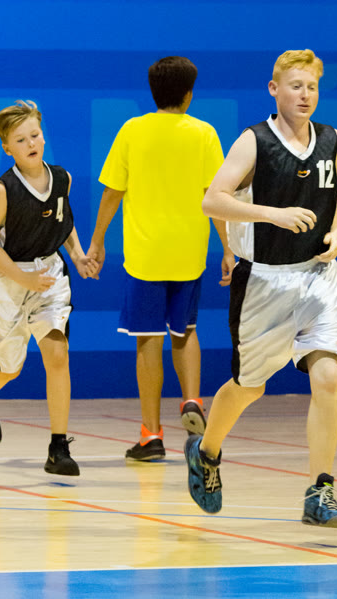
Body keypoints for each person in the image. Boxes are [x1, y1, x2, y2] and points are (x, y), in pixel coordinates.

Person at [183, 49, 337, 528]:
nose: (305, 95)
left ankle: (320, 491)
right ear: (274, 89)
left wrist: (335, 231)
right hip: (263, 281)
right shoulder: (253, 141)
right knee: (249, 386)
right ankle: (206, 451)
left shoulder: (333, 140)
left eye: (312, 87)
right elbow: (212, 201)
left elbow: (330, 195)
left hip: (318, 278)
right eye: (296, 86)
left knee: (329, 377)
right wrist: (272, 215)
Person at [87, 56, 230, 461]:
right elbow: (216, 196)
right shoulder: (204, 133)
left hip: (145, 255)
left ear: (153, 92)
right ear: (188, 95)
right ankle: (192, 400)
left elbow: (112, 192)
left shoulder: (132, 130)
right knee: (186, 330)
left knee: (148, 339)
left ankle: (151, 435)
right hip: (189, 251)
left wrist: (97, 242)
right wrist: (228, 247)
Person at [0, 100, 98, 476]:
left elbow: (63, 222)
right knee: (10, 368)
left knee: (57, 355)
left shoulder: (62, 178)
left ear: (43, 136)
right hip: (7, 279)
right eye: (20, 139)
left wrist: (77, 255)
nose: (30, 143)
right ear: (7, 148)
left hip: (49, 276)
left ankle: (58, 448)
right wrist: (21, 277)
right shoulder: (4, 190)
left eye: (35, 135)